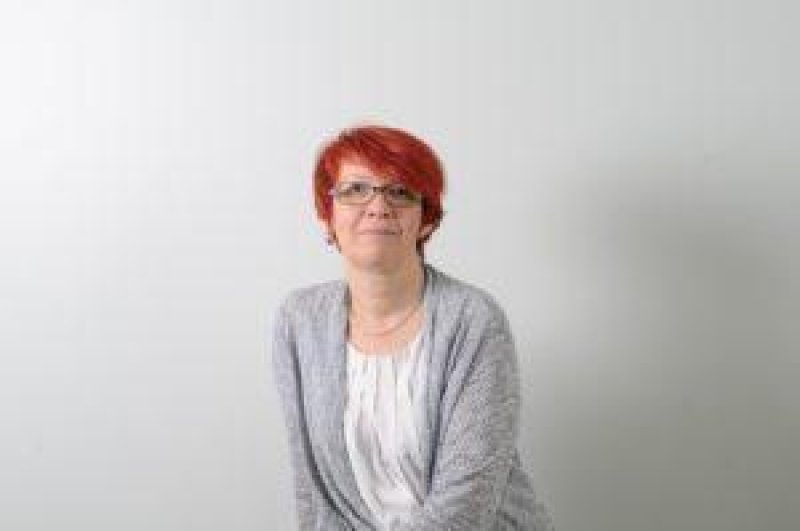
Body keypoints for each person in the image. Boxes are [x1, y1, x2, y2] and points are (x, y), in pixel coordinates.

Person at [272, 124, 553, 530]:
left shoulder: (473, 320)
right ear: (327, 216)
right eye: (355, 189)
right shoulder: (298, 322)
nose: (378, 206)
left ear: (426, 220)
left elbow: (466, 504)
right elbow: (314, 497)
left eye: (400, 191)